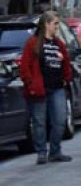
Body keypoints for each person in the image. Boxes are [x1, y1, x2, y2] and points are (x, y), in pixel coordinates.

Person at [19, 11, 73, 164]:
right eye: (55, 23)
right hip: (39, 89)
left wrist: (66, 78)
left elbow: (66, 62)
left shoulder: (58, 44)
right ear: (46, 24)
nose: (57, 27)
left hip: (57, 88)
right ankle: (42, 152)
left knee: (60, 120)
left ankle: (55, 151)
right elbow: (25, 66)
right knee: (39, 122)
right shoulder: (33, 43)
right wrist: (30, 83)